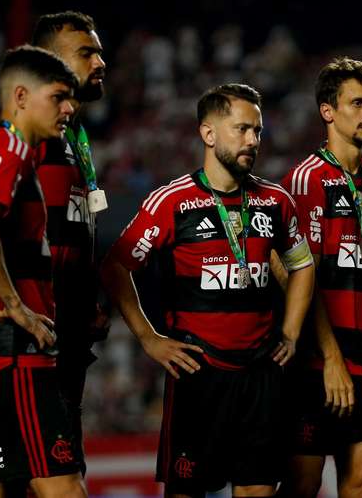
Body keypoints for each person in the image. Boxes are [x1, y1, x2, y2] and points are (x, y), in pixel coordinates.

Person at [101, 83, 315, 498]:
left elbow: (302, 265)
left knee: (258, 492)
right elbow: (115, 266)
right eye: (241, 129)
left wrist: (290, 331)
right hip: (199, 374)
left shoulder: (275, 201)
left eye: (258, 131)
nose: (253, 140)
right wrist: (148, 338)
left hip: (261, 375)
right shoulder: (172, 201)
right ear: (208, 133)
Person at [0, 45, 86, 497]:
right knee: (62, 485)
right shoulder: (10, 148)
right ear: (22, 96)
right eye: (59, 96)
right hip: (15, 356)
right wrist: (17, 307)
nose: (70, 107)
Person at [278, 57, 362, 498]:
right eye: (357, 103)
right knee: (302, 485)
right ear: (328, 112)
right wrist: (329, 358)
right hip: (315, 366)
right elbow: (299, 277)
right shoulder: (306, 180)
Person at [31, 11, 109, 475]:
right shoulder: (32, 137)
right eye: (86, 53)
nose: (100, 61)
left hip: (67, 339)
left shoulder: (75, 137)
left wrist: (88, 297)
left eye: (98, 50)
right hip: (35, 343)